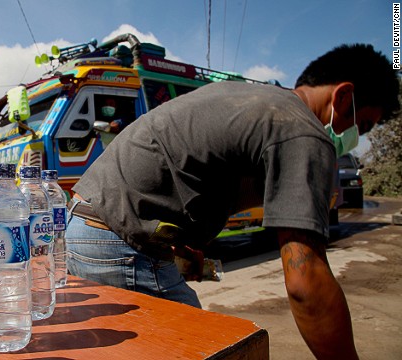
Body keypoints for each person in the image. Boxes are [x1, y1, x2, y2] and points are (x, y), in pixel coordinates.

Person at [65, 43, 399, 359]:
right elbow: (305, 280)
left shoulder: (250, 99)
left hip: (84, 224)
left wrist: (182, 243)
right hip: (117, 243)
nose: (357, 137)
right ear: (344, 96)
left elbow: (178, 168)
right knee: (206, 349)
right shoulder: (302, 130)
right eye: (363, 124)